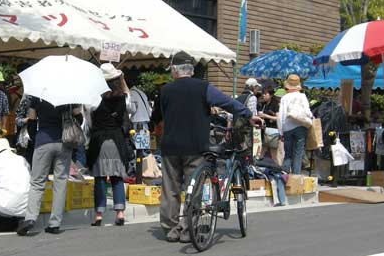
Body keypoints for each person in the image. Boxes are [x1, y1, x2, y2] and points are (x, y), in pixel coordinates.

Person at [151, 51, 262, 243]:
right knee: (194, 188)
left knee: (171, 189)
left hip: (171, 147)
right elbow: (227, 102)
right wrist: (248, 114)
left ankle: (171, 229)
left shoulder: (166, 90)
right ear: (191, 71)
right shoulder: (203, 88)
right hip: (196, 146)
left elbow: (157, 118)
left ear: (175, 71)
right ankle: (188, 230)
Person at [17, 98, 81, 236]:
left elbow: (32, 122)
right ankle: (55, 224)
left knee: (37, 182)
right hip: (64, 142)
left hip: (43, 141)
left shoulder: (38, 96)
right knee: (61, 181)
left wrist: (37, 138)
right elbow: (79, 118)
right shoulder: (68, 94)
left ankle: (30, 218)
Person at [86, 63, 132, 227]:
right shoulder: (123, 98)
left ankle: (98, 215)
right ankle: (120, 212)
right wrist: (123, 80)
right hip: (117, 141)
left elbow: (89, 123)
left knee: (99, 178)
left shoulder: (94, 99)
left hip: (99, 141)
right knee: (116, 177)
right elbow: (129, 99)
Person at [277, 74, 313, 174]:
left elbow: (281, 116)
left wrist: (281, 132)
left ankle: (284, 179)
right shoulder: (302, 96)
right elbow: (308, 112)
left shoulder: (285, 98)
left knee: (288, 154)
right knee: (298, 154)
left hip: (287, 128)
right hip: (300, 127)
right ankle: (296, 179)